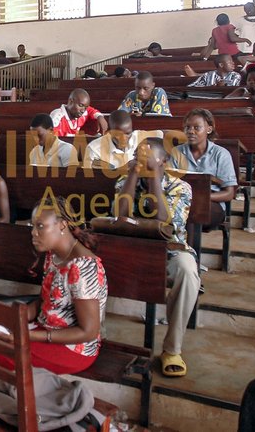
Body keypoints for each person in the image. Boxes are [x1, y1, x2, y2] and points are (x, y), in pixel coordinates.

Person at [0, 196, 107, 383]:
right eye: (32, 226)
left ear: (62, 225)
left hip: (72, 349)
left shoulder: (83, 266)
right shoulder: (53, 255)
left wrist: (27, 335)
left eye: (40, 226)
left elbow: (88, 331)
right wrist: (4, 320)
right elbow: (43, 303)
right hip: (43, 330)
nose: (33, 233)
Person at [116, 138, 198, 378]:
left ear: (163, 160)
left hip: (168, 251)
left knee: (187, 270)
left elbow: (164, 222)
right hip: (132, 249)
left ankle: (172, 350)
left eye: (147, 154)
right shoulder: (124, 181)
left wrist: (152, 176)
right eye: (137, 153)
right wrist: (133, 175)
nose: (140, 157)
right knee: (95, 262)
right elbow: (121, 216)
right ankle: (95, 339)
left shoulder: (181, 187)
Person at [169, 109, 237, 242]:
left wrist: (200, 198)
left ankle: (190, 256)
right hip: (181, 201)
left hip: (212, 204)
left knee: (193, 210)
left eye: (197, 128)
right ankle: (183, 255)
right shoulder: (176, 152)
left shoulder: (221, 154)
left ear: (209, 129)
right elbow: (170, 183)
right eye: (187, 127)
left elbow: (229, 193)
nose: (191, 131)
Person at [84, 110, 160, 169]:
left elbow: (163, 134)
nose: (124, 138)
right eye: (118, 135)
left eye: (128, 133)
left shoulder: (140, 136)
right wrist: (125, 168)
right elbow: (90, 180)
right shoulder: (94, 149)